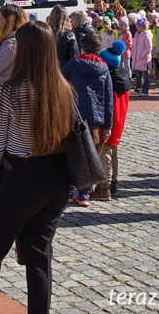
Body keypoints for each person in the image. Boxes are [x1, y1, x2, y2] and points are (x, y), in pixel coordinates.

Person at [0, 21, 73, 314]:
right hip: (56, 177)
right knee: (40, 255)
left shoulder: (11, 90)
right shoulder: (63, 87)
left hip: (22, 177)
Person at [61, 31, 113, 206]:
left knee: (69, 153)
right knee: (90, 155)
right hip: (95, 120)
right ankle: (84, 194)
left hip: (74, 117)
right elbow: (109, 100)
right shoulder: (104, 69)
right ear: (99, 48)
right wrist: (108, 125)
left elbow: (60, 87)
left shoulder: (71, 65)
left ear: (83, 47)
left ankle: (68, 191)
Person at [94, 41, 130, 200]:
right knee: (112, 152)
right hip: (119, 120)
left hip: (109, 120)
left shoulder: (109, 81)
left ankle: (104, 187)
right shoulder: (123, 76)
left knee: (105, 154)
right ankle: (113, 183)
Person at [132, 17, 152, 96]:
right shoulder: (137, 34)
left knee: (145, 77)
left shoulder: (147, 35)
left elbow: (149, 47)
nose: (137, 27)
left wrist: (142, 55)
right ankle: (137, 89)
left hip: (143, 59)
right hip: (137, 58)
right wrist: (133, 54)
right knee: (138, 75)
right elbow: (134, 46)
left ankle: (145, 90)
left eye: (139, 26)